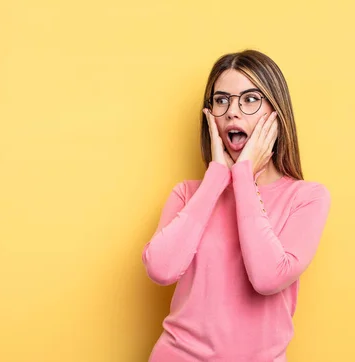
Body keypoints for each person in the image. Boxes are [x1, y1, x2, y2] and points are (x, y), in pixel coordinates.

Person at [141, 49, 331, 362]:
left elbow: (267, 277)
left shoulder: (308, 198)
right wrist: (216, 178)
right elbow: (161, 270)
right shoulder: (188, 194)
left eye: (250, 98)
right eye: (221, 100)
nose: (232, 111)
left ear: (276, 112)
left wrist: (243, 175)